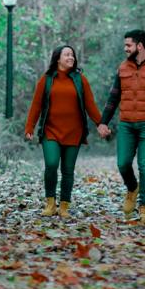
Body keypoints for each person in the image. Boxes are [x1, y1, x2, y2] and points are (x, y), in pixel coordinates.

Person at [97, 29, 145, 225]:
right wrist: (103, 122)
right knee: (123, 163)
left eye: (128, 45)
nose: (125, 49)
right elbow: (113, 98)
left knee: (144, 165)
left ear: (139, 46)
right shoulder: (123, 68)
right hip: (127, 124)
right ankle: (132, 188)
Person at [25, 44, 103, 218]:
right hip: (50, 130)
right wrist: (29, 126)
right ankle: (50, 203)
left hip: (74, 131)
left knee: (68, 169)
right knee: (51, 164)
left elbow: (90, 104)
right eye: (67, 55)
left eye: (72, 55)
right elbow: (36, 104)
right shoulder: (46, 79)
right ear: (58, 58)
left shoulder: (80, 79)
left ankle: (64, 207)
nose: (71, 58)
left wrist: (100, 123)